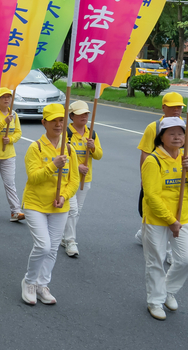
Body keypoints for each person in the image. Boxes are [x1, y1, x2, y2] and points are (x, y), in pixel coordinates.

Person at [141, 117, 188, 321]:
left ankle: (168, 290)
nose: (177, 137)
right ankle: (155, 301)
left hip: (184, 217)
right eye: (172, 133)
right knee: (156, 261)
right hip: (157, 220)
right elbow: (151, 196)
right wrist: (170, 220)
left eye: (181, 133)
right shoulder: (153, 160)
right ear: (161, 137)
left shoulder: (187, 159)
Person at [20, 103, 79, 306]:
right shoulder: (35, 147)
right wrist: (54, 164)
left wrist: (64, 195)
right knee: (43, 246)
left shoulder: (68, 148)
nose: (58, 124)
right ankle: (28, 281)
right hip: (35, 203)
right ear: (44, 122)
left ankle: (42, 284)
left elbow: (74, 180)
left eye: (61, 120)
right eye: (53, 120)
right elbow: (34, 177)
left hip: (59, 205)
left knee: (53, 248)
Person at [134, 92, 188, 249]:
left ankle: (151, 235)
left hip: (178, 173)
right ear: (163, 108)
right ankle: (151, 234)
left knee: (175, 202)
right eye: (173, 107)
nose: (176, 110)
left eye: (179, 107)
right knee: (155, 203)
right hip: (157, 172)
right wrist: (144, 177)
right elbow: (145, 153)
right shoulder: (154, 127)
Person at [61, 100, 103, 258]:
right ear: (72, 116)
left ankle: (65, 237)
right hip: (69, 178)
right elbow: (62, 154)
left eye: (86, 114)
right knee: (72, 209)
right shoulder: (66, 133)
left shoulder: (91, 133)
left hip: (86, 179)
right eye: (80, 114)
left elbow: (99, 155)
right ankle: (70, 240)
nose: (84, 117)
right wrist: (77, 167)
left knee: (77, 210)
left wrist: (92, 147)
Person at [0, 88, 24, 222]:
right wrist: (3, 123)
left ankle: (15, 211)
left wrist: (11, 139)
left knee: (10, 183)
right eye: (3, 97)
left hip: (8, 155)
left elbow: (18, 132)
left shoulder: (14, 114)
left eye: (9, 97)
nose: (6, 99)